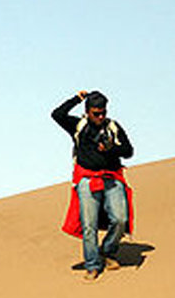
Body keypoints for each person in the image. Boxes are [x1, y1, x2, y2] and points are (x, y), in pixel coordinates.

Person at [51, 89, 135, 281]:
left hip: (112, 178)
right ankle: (92, 265)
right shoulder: (77, 126)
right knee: (89, 225)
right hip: (87, 180)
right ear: (87, 111)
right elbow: (57, 115)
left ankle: (107, 251)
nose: (100, 116)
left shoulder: (113, 127)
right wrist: (77, 98)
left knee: (121, 219)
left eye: (103, 112)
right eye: (96, 113)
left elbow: (129, 151)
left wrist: (112, 148)